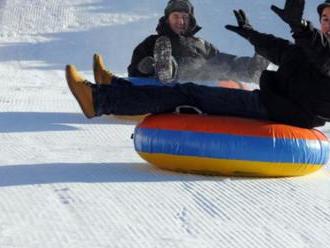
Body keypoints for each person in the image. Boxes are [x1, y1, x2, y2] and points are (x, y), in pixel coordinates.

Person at [66, 0, 330, 129]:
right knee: (182, 89)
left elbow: (322, 55)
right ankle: (108, 88)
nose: (327, 22)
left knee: (188, 92)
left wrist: (300, 26)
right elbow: (284, 51)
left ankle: (100, 99)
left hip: (284, 112)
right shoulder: (155, 40)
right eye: (325, 18)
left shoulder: (320, 49)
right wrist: (252, 35)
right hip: (273, 102)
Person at [94, 0, 268, 84]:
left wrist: (248, 58)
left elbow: (224, 62)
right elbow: (134, 73)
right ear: (167, 19)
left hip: (201, 83)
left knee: (228, 63)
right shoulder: (152, 42)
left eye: (184, 17)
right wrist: (144, 68)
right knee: (166, 60)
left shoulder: (201, 44)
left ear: (190, 20)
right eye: (175, 16)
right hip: (171, 85)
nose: (180, 21)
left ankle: (253, 69)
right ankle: (165, 69)